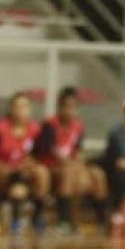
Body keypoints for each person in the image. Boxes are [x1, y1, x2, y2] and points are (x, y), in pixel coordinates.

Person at [34, 86, 105, 234]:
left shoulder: (78, 126)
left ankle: (101, 221)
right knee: (70, 174)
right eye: (66, 107)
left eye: (74, 107)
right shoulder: (50, 125)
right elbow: (50, 152)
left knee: (97, 175)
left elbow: (78, 151)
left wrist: (81, 168)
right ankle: (64, 221)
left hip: (71, 166)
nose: (70, 111)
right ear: (60, 107)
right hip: (50, 167)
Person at [0, 92, 47, 237]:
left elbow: (40, 155)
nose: (21, 110)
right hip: (2, 172)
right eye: (17, 106)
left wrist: (29, 164)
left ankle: (37, 217)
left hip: (24, 172)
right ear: (11, 109)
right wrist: (1, 167)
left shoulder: (36, 130)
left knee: (41, 172)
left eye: (25, 106)